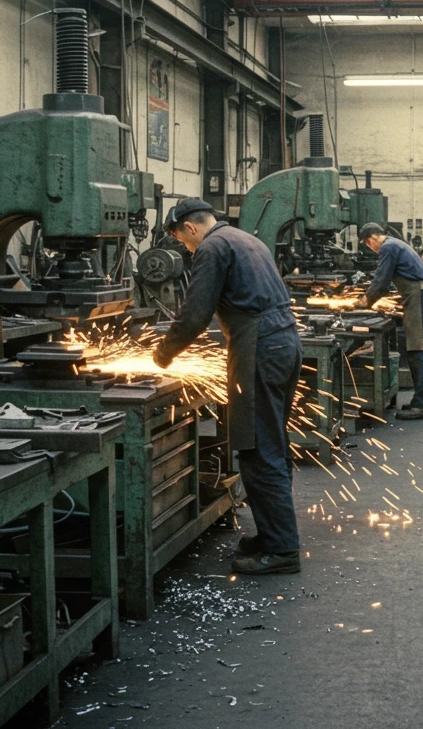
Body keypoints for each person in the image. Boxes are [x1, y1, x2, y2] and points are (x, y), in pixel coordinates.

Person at [151, 198, 304, 576]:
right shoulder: (246, 239)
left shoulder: (211, 247)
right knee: (273, 443)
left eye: (182, 242)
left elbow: (194, 316)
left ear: (189, 228)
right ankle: (272, 535)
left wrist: (162, 356)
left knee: (258, 448)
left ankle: (282, 549)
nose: (186, 249)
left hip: (259, 349)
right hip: (285, 342)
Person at [359, 223, 423, 420]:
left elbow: (381, 282)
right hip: (421, 296)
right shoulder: (396, 243)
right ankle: (421, 399)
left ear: (370, 240)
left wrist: (363, 303)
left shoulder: (388, 247)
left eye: (368, 245)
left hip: (419, 298)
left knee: (418, 350)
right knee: (415, 351)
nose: (371, 249)